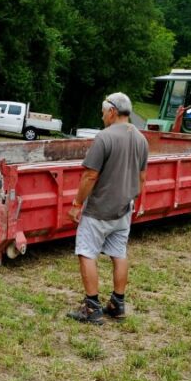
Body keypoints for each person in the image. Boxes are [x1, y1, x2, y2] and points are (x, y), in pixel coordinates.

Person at [66, 92, 149, 324]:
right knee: (119, 254)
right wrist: (131, 200)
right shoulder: (141, 139)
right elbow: (142, 178)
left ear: (112, 111)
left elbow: (90, 175)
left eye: (103, 113)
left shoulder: (104, 137)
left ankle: (92, 308)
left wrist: (77, 204)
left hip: (99, 209)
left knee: (86, 252)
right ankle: (117, 303)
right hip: (124, 209)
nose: (102, 117)